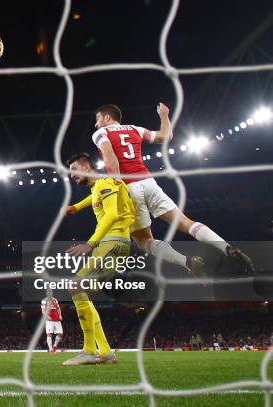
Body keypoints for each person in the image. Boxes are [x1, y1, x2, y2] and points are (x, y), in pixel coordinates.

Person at [65, 103, 254, 275]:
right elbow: (166, 137)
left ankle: (187, 262)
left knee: (144, 240)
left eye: (98, 119)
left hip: (128, 187)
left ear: (107, 118)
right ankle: (227, 248)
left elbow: (109, 157)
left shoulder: (100, 134)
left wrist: (116, 179)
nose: (96, 124)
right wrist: (164, 115)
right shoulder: (135, 129)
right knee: (186, 223)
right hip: (149, 182)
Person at [62, 153, 134, 366]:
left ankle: (91, 350)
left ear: (86, 166)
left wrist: (90, 243)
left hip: (113, 242)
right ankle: (103, 351)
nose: (72, 175)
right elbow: (94, 197)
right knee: (79, 290)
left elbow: (111, 214)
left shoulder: (105, 183)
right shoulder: (98, 187)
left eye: (75, 168)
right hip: (108, 245)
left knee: (76, 285)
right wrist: (76, 207)